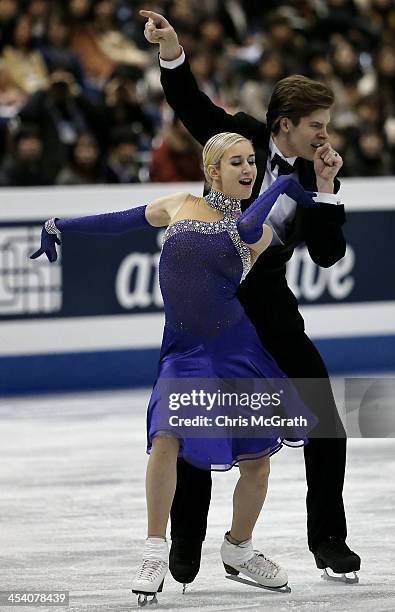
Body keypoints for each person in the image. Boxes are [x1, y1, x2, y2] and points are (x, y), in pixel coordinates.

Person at [31, 132, 319, 602]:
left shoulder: (259, 231)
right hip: (184, 352)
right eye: (236, 163)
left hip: (236, 349)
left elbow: (245, 231)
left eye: (252, 162)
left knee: (257, 463)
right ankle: (152, 551)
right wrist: (61, 224)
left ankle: (239, 548)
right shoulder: (179, 204)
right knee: (165, 436)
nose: (248, 170)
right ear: (212, 172)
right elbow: (120, 221)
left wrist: (283, 185)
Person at [140, 9, 361, 584]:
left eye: (328, 125)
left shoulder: (320, 174)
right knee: (198, 423)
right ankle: (186, 542)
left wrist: (330, 192)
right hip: (214, 311)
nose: (325, 136)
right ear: (285, 124)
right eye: (317, 125)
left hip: (270, 311)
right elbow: (191, 106)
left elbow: (329, 256)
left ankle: (329, 540)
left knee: (325, 420)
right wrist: (172, 51)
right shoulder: (243, 139)